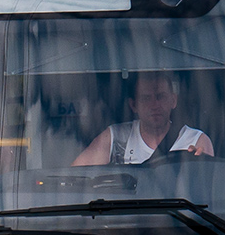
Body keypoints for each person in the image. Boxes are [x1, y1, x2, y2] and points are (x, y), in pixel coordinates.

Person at [73, 71, 214, 166]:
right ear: (133, 105)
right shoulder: (115, 138)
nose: (155, 105)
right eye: (146, 98)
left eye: (161, 96)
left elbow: (208, 190)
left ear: (173, 101)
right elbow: (78, 176)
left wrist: (199, 167)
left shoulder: (196, 140)